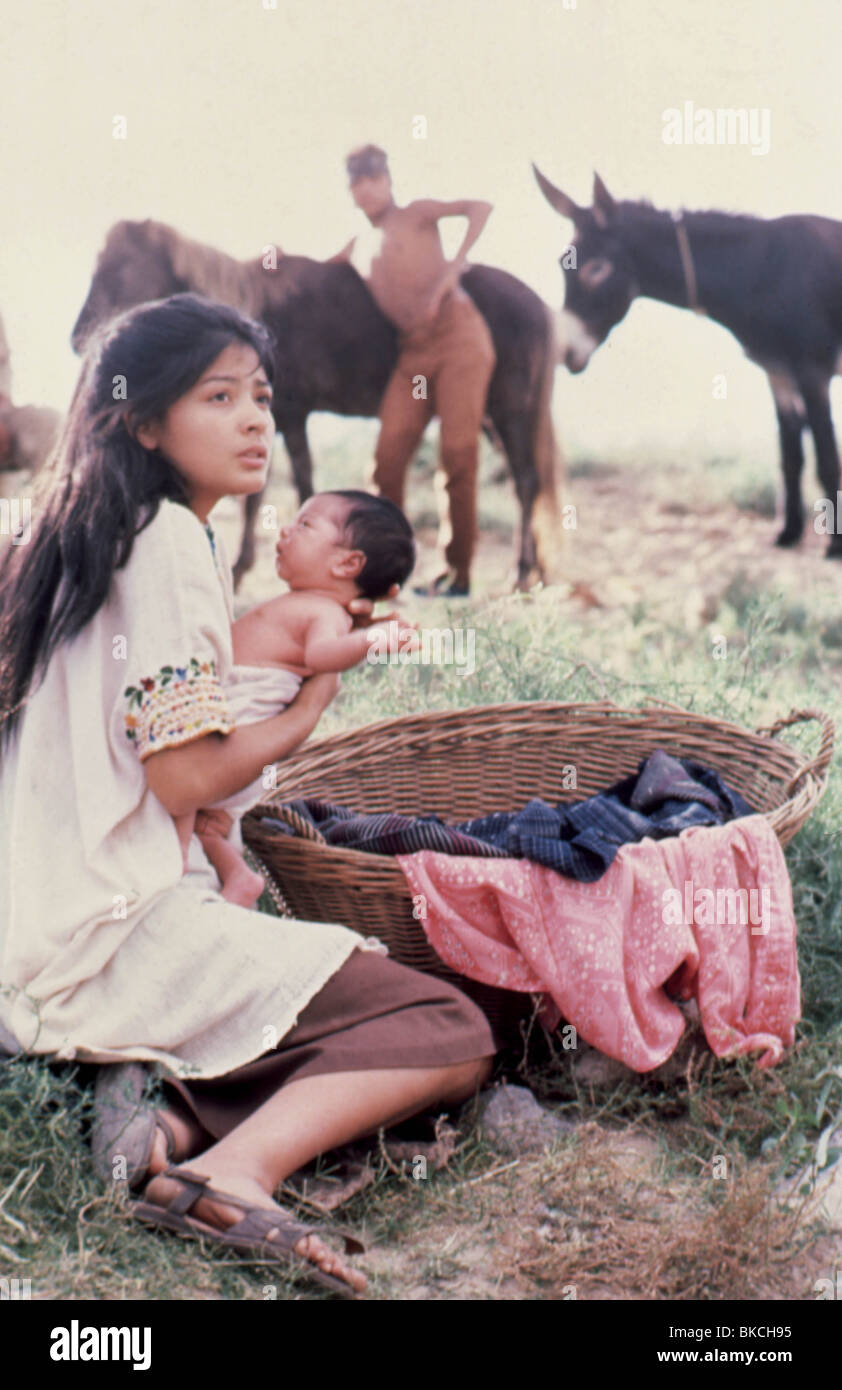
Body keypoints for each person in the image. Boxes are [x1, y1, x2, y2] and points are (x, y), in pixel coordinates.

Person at [0, 293, 496, 1297]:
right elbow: (186, 775)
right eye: (218, 395)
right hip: (108, 927)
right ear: (144, 422)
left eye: (261, 397)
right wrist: (314, 701)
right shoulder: (173, 541)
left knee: (294, 993)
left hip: (34, 917)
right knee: (448, 1030)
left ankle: (159, 1117)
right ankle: (231, 1167)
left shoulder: (77, 536)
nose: (254, 420)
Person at [183, 489, 419, 907]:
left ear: (347, 563)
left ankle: (201, 893)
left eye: (306, 525)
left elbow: (321, 656)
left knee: (185, 807)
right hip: (239, 720)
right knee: (208, 823)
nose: (287, 530)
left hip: (242, 722)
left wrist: (374, 638)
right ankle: (237, 878)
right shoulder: (319, 608)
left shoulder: (325, 614)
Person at [346, 143, 497, 597]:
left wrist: (454, 268)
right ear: (351, 191)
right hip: (412, 357)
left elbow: (480, 207)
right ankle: (390, 569)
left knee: (457, 454)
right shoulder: (358, 244)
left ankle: (459, 573)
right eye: (357, 181)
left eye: (374, 178)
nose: (367, 188)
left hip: (458, 342)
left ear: (389, 181)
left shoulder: (417, 213)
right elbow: (323, 268)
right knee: (387, 459)